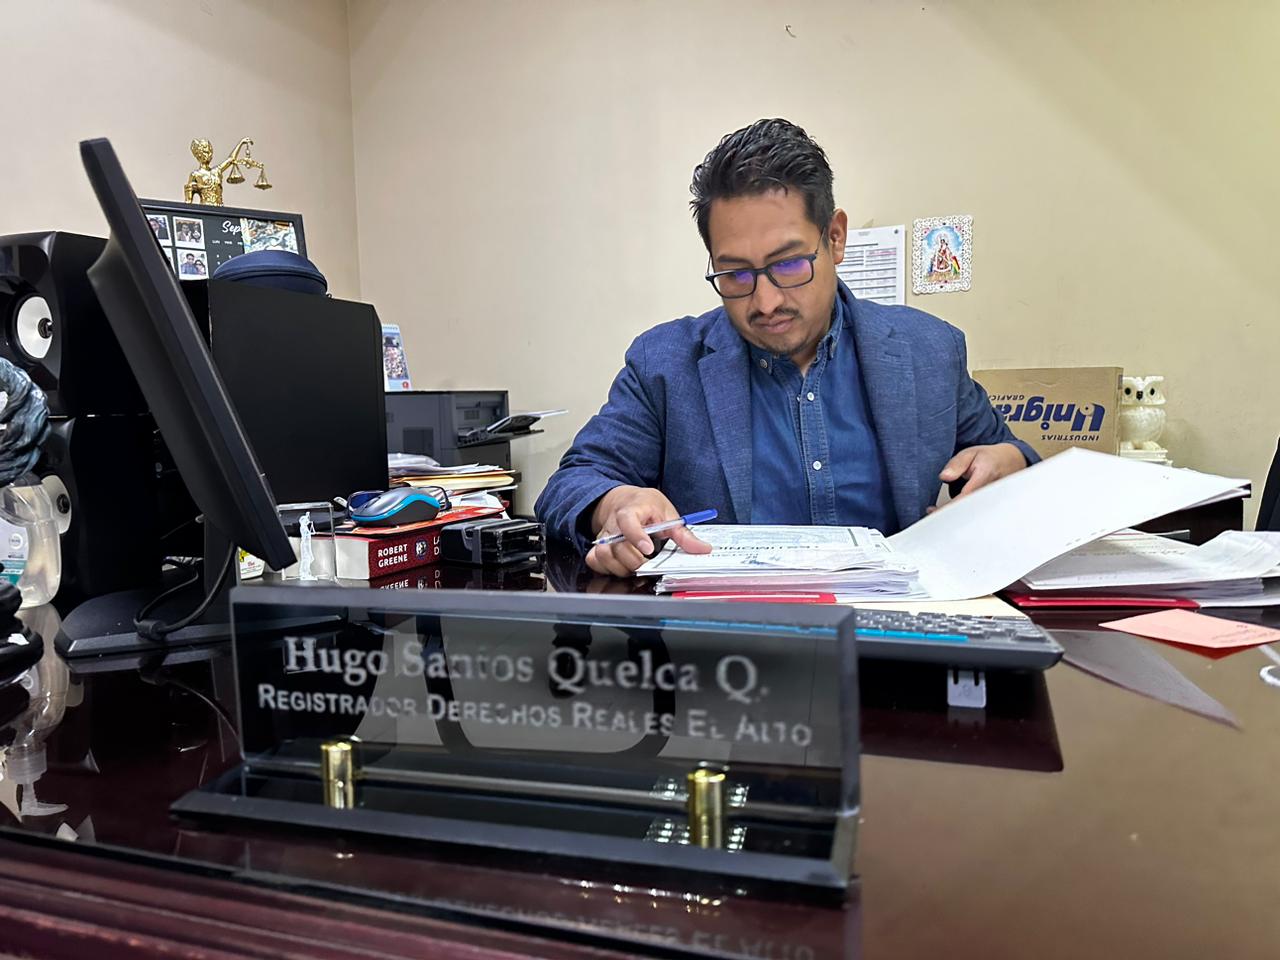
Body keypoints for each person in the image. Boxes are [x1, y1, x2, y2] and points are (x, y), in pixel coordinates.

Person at [535, 119, 1037, 577]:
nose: (766, 301)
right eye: (735, 274)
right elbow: (573, 481)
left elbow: (1010, 458)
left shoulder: (930, 351)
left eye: (789, 264)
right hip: (730, 637)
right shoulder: (664, 364)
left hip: (896, 631)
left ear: (835, 238)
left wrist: (1011, 463)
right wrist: (615, 502)